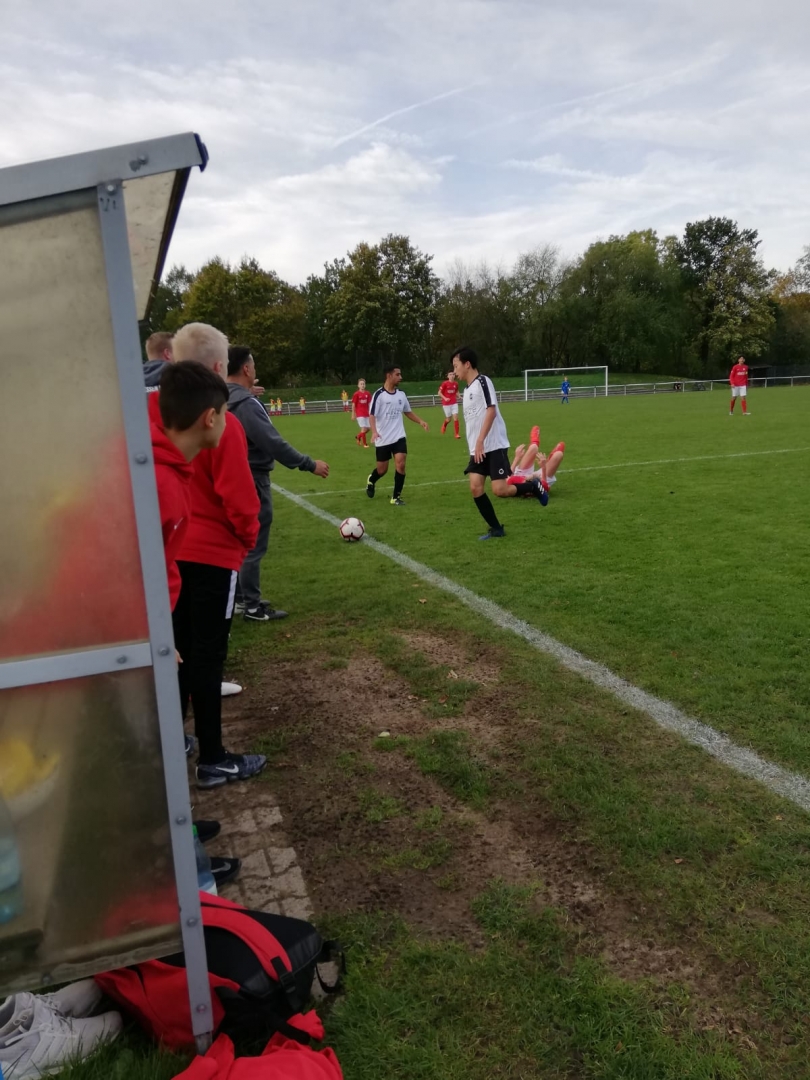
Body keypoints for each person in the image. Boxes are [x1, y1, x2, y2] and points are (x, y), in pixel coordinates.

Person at [152, 323, 265, 790]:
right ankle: (213, 757)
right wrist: (245, 541)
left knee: (177, 649)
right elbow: (240, 499)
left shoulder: (149, 416)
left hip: (170, 557)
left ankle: (174, 740)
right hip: (212, 555)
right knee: (207, 654)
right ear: (219, 367)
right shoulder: (222, 423)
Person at [227, 346, 329, 621]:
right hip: (253, 479)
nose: (255, 370)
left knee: (240, 540)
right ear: (246, 369)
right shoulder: (246, 405)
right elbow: (273, 443)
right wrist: (309, 464)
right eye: (253, 365)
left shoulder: (222, 398)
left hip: (233, 477)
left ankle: (240, 598)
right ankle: (252, 607)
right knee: (253, 543)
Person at [452, 346, 547, 540]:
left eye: (456, 365)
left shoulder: (483, 382)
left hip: (493, 445)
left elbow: (491, 410)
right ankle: (496, 529)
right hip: (477, 449)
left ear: (467, 364)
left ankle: (532, 486)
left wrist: (480, 440)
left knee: (500, 490)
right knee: (475, 488)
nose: (454, 371)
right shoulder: (467, 391)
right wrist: (475, 445)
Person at [366, 365, 429, 505]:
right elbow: (372, 415)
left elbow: (407, 411)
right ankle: (371, 479)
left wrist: (421, 421)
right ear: (389, 376)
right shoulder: (379, 395)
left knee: (401, 464)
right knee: (382, 470)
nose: (401, 377)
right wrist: (374, 431)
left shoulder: (401, 395)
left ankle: (395, 497)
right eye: (397, 375)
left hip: (399, 437)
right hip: (383, 439)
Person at [508, 425, 565, 493]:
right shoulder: (537, 487)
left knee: (534, 447)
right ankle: (550, 459)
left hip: (522, 475)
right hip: (541, 478)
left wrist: (517, 457)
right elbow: (544, 485)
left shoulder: (515, 481)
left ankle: (535, 441)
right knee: (559, 455)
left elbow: (508, 476)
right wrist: (543, 467)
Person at [438, 371, 461, 438]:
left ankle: (456, 434)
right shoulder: (445, 383)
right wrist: (445, 398)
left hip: (454, 403)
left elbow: (456, 391)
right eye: (450, 374)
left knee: (455, 417)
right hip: (446, 404)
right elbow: (439, 393)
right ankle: (444, 425)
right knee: (449, 419)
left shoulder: (456, 383)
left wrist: (459, 396)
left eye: (453, 374)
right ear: (448, 376)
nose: (452, 376)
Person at [351, 377, 372, 447]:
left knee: (368, 428)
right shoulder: (356, 394)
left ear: (365, 385)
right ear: (358, 385)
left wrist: (371, 412)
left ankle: (358, 436)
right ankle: (365, 444)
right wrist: (353, 414)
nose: (362, 385)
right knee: (363, 428)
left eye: (363, 384)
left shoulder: (367, 393)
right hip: (360, 414)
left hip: (367, 413)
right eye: (361, 384)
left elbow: (369, 403)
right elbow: (353, 404)